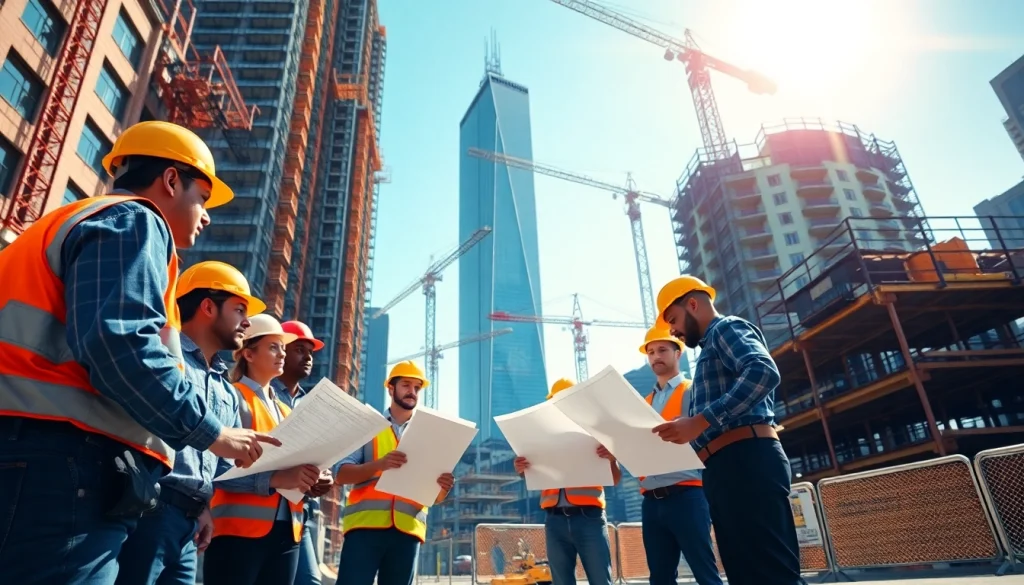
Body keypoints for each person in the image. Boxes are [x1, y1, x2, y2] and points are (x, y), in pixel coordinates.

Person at [0, 121, 278, 584]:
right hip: (65, 461)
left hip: (36, 454)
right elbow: (121, 346)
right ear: (170, 180)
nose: (207, 216)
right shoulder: (134, 220)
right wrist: (214, 434)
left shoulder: (66, 224)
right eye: (202, 197)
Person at [115, 261, 266, 585]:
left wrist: (202, 507)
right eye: (239, 310)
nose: (247, 322)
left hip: (190, 524)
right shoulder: (165, 359)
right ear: (208, 307)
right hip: (148, 509)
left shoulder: (226, 388)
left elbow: (219, 465)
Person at [651, 276, 802, 585]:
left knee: (772, 573)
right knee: (746, 574)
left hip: (746, 460)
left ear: (693, 304)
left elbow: (763, 371)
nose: (673, 330)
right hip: (726, 468)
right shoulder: (710, 348)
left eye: (674, 320)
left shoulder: (726, 328)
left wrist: (700, 421)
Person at [204, 314, 325, 585]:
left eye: (283, 347)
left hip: (288, 533)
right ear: (248, 354)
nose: (282, 354)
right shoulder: (232, 397)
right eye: (273, 347)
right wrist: (276, 479)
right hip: (237, 533)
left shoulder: (286, 410)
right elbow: (216, 469)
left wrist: (313, 476)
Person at [335, 360, 456, 585]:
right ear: (391, 389)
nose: (412, 392)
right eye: (406, 385)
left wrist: (443, 487)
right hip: (364, 528)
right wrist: (379, 465)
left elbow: (435, 498)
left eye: (417, 387)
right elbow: (341, 475)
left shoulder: (429, 435)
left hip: (407, 532)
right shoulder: (367, 426)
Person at [513, 378, 620, 585]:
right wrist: (522, 469)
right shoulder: (541, 437)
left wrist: (612, 459)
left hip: (589, 518)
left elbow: (615, 479)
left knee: (600, 580)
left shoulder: (594, 433)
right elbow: (532, 476)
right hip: (555, 521)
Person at [637, 327, 722, 585]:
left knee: (705, 573)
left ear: (678, 353)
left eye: (662, 350)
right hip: (651, 501)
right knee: (660, 578)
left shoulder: (693, 390)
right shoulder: (643, 402)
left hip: (688, 494)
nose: (656, 356)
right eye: (651, 352)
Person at [273, 320, 333, 585]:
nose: (308, 357)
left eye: (310, 352)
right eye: (299, 349)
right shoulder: (262, 394)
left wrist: (322, 476)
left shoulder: (311, 405)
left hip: (299, 514)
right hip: (263, 513)